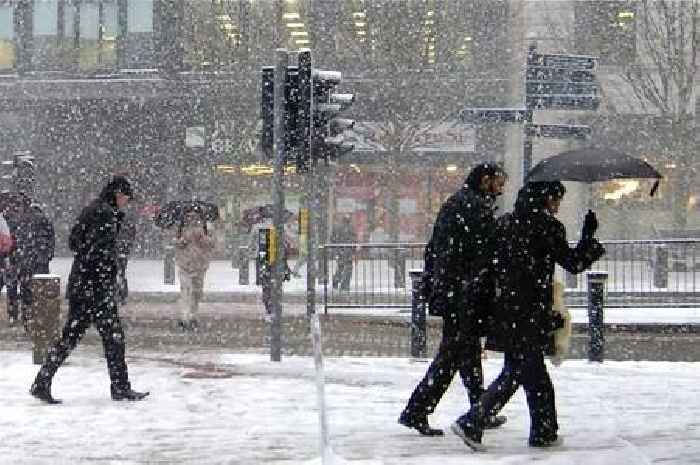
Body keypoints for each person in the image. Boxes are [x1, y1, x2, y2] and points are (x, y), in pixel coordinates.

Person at [451, 181, 605, 451]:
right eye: (556, 200)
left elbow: (488, 265)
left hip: (506, 308)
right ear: (546, 199)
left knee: (532, 375)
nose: (558, 206)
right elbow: (573, 263)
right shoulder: (546, 226)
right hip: (530, 310)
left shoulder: (506, 223)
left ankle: (544, 432)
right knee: (518, 372)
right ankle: (473, 420)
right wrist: (588, 237)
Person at [398, 162, 508, 436]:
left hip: (456, 290)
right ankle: (418, 410)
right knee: (451, 356)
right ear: (485, 180)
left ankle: (480, 408)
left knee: (466, 354)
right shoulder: (470, 206)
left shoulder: (464, 203)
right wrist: (503, 226)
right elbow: (482, 246)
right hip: (461, 293)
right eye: (499, 182)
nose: (501, 187)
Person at [30, 175, 149, 404]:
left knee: (71, 337)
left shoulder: (92, 209)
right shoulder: (105, 214)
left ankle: (42, 381)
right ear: (117, 194)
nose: (127, 202)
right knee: (113, 338)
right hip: (96, 289)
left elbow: (75, 242)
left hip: (82, 285)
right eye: (126, 197)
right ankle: (121, 388)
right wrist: (110, 274)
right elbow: (100, 252)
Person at [4, 193, 55, 329]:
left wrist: (14, 257)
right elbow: (51, 240)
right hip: (37, 260)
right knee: (39, 289)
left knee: (22, 289)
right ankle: (38, 316)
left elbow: (14, 241)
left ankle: (21, 316)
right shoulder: (42, 219)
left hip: (24, 260)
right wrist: (47, 255)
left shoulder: (19, 220)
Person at [174, 209, 215, 330]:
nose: (191, 219)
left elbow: (213, 243)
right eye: (189, 216)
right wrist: (181, 241)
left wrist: (203, 239)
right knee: (185, 290)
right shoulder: (180, 228)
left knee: (197, 292)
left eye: (194, 216)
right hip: (184, 264)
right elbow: (175, 242)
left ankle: (193, 314)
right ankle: (184, 316)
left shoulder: (207, 228)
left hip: (200, 265)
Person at [331, 215, 356, 290]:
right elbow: (354, 240)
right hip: (348, 251)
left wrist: (335, 250)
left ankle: (336, 279)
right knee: (348, 268)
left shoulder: (337, 228)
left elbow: (332, 239)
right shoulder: (351, 228)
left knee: (340, 266)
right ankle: (345, 284)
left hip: (340, 251)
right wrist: (353, 251)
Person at [116, 217, 136, 305]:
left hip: (118, 250)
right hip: (122, 251)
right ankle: (121, 295)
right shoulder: (126, 222)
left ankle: (120, 295)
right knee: (121, 274)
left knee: (119, 273)